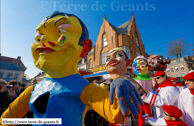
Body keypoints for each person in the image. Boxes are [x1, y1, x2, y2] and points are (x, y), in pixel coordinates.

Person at [0, 11, 142, 125]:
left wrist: (119, 80)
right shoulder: (33, 89)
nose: (42, 40)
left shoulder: (84, 88)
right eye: (39, 36)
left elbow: (117, 115)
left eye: (61, 32)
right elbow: (6, 119)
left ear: (85, 47)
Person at [132, 56, 152, 126]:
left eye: (141, 63)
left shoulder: (151, 80)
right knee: (138, 116)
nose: (138, 67)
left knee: (149, 116)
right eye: (135, 65)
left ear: (148, 68)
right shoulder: (132, 80)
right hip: (138, 101)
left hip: (147, 101)